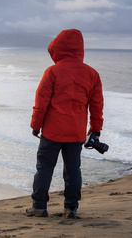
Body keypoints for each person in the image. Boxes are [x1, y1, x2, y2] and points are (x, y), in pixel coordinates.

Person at [26, 29, 104, 219]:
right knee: (73, 170)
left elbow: (41, 102)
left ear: (58, 49)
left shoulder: (52, 72)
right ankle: (71, 208)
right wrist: (95, 130)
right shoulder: (92, 74)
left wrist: (35, 125)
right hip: (76, 133)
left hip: (53, 131)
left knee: (44, 168)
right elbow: (96, 106)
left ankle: (39, 207)